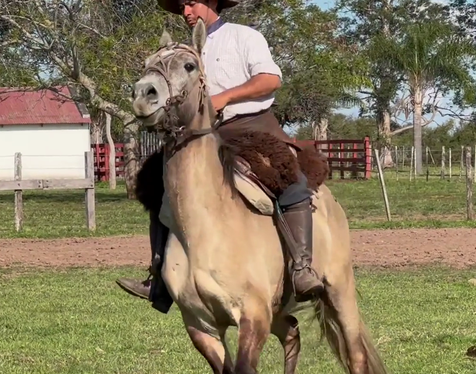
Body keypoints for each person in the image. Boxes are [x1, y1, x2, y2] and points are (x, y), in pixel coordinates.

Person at [115, 0, 324, 311]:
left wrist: (225, 96)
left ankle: (301, 268)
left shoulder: (244, 36)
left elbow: (270, 79)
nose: (186, 11)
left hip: (253, 127)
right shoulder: (184, 54)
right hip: (205, 134)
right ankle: (159, 277)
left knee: (289, 177)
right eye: (182, 6)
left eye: (191, 3)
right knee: (155, 182)